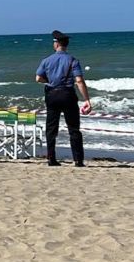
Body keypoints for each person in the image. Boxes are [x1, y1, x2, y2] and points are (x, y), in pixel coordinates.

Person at [35, 30, 93, 166]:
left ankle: (51, 158)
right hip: (68, 94)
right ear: (66, 45)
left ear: (56, 44)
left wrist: (50, 81)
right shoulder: (73, 60)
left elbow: (38, 78)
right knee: (73, 128)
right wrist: (87, 100)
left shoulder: (46, 60)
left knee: (51, 128)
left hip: (52, 94)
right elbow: (79, 80)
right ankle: (78, 160)